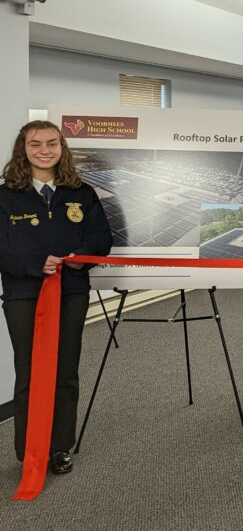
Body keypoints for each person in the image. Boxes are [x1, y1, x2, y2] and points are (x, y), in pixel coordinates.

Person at [0, 120, 113, 474]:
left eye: (51, 143)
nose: (44, 150)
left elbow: (101, 240)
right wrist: (36, 263)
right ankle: (29, 450)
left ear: (61, 148)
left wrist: (79, 258)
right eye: (35, 144)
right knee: (29, 373)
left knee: (66, 370)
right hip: (23, 295)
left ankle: (61, 446)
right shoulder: (5, 196)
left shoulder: (82, 193)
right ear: (24, 149)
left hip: (71, 293)